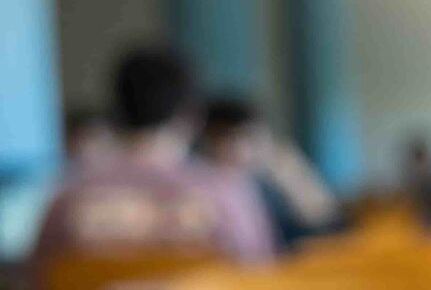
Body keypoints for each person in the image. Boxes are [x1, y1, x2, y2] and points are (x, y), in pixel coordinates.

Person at [33, 47, 274, 270]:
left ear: (116, 112)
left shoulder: (69, 195)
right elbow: (259, 275)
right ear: (191, 115)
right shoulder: (225, 193)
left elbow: (36, 282)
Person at [200, 97, 346, 249]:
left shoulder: (276, 166)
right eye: (234, 138)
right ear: (211, 141)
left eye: (254, 136)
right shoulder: (213, 182)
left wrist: (290, 176)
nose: (247, 148)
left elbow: (325, 218)